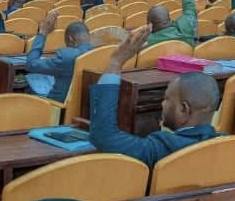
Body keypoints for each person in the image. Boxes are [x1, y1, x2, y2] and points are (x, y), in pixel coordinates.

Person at [91, 24, 222, 168]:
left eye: (166, 99)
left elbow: (105, 136)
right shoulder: (229, 146)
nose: (162, 104)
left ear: (183, 110)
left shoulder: (162, 148)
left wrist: (115, 62)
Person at [25, 12, 93, 102]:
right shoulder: (100, 52)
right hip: (83, 104)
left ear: (70, 39)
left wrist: (43, 33)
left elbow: (31, 64)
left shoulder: (65, 56)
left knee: (28, 88)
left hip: (57, 106)